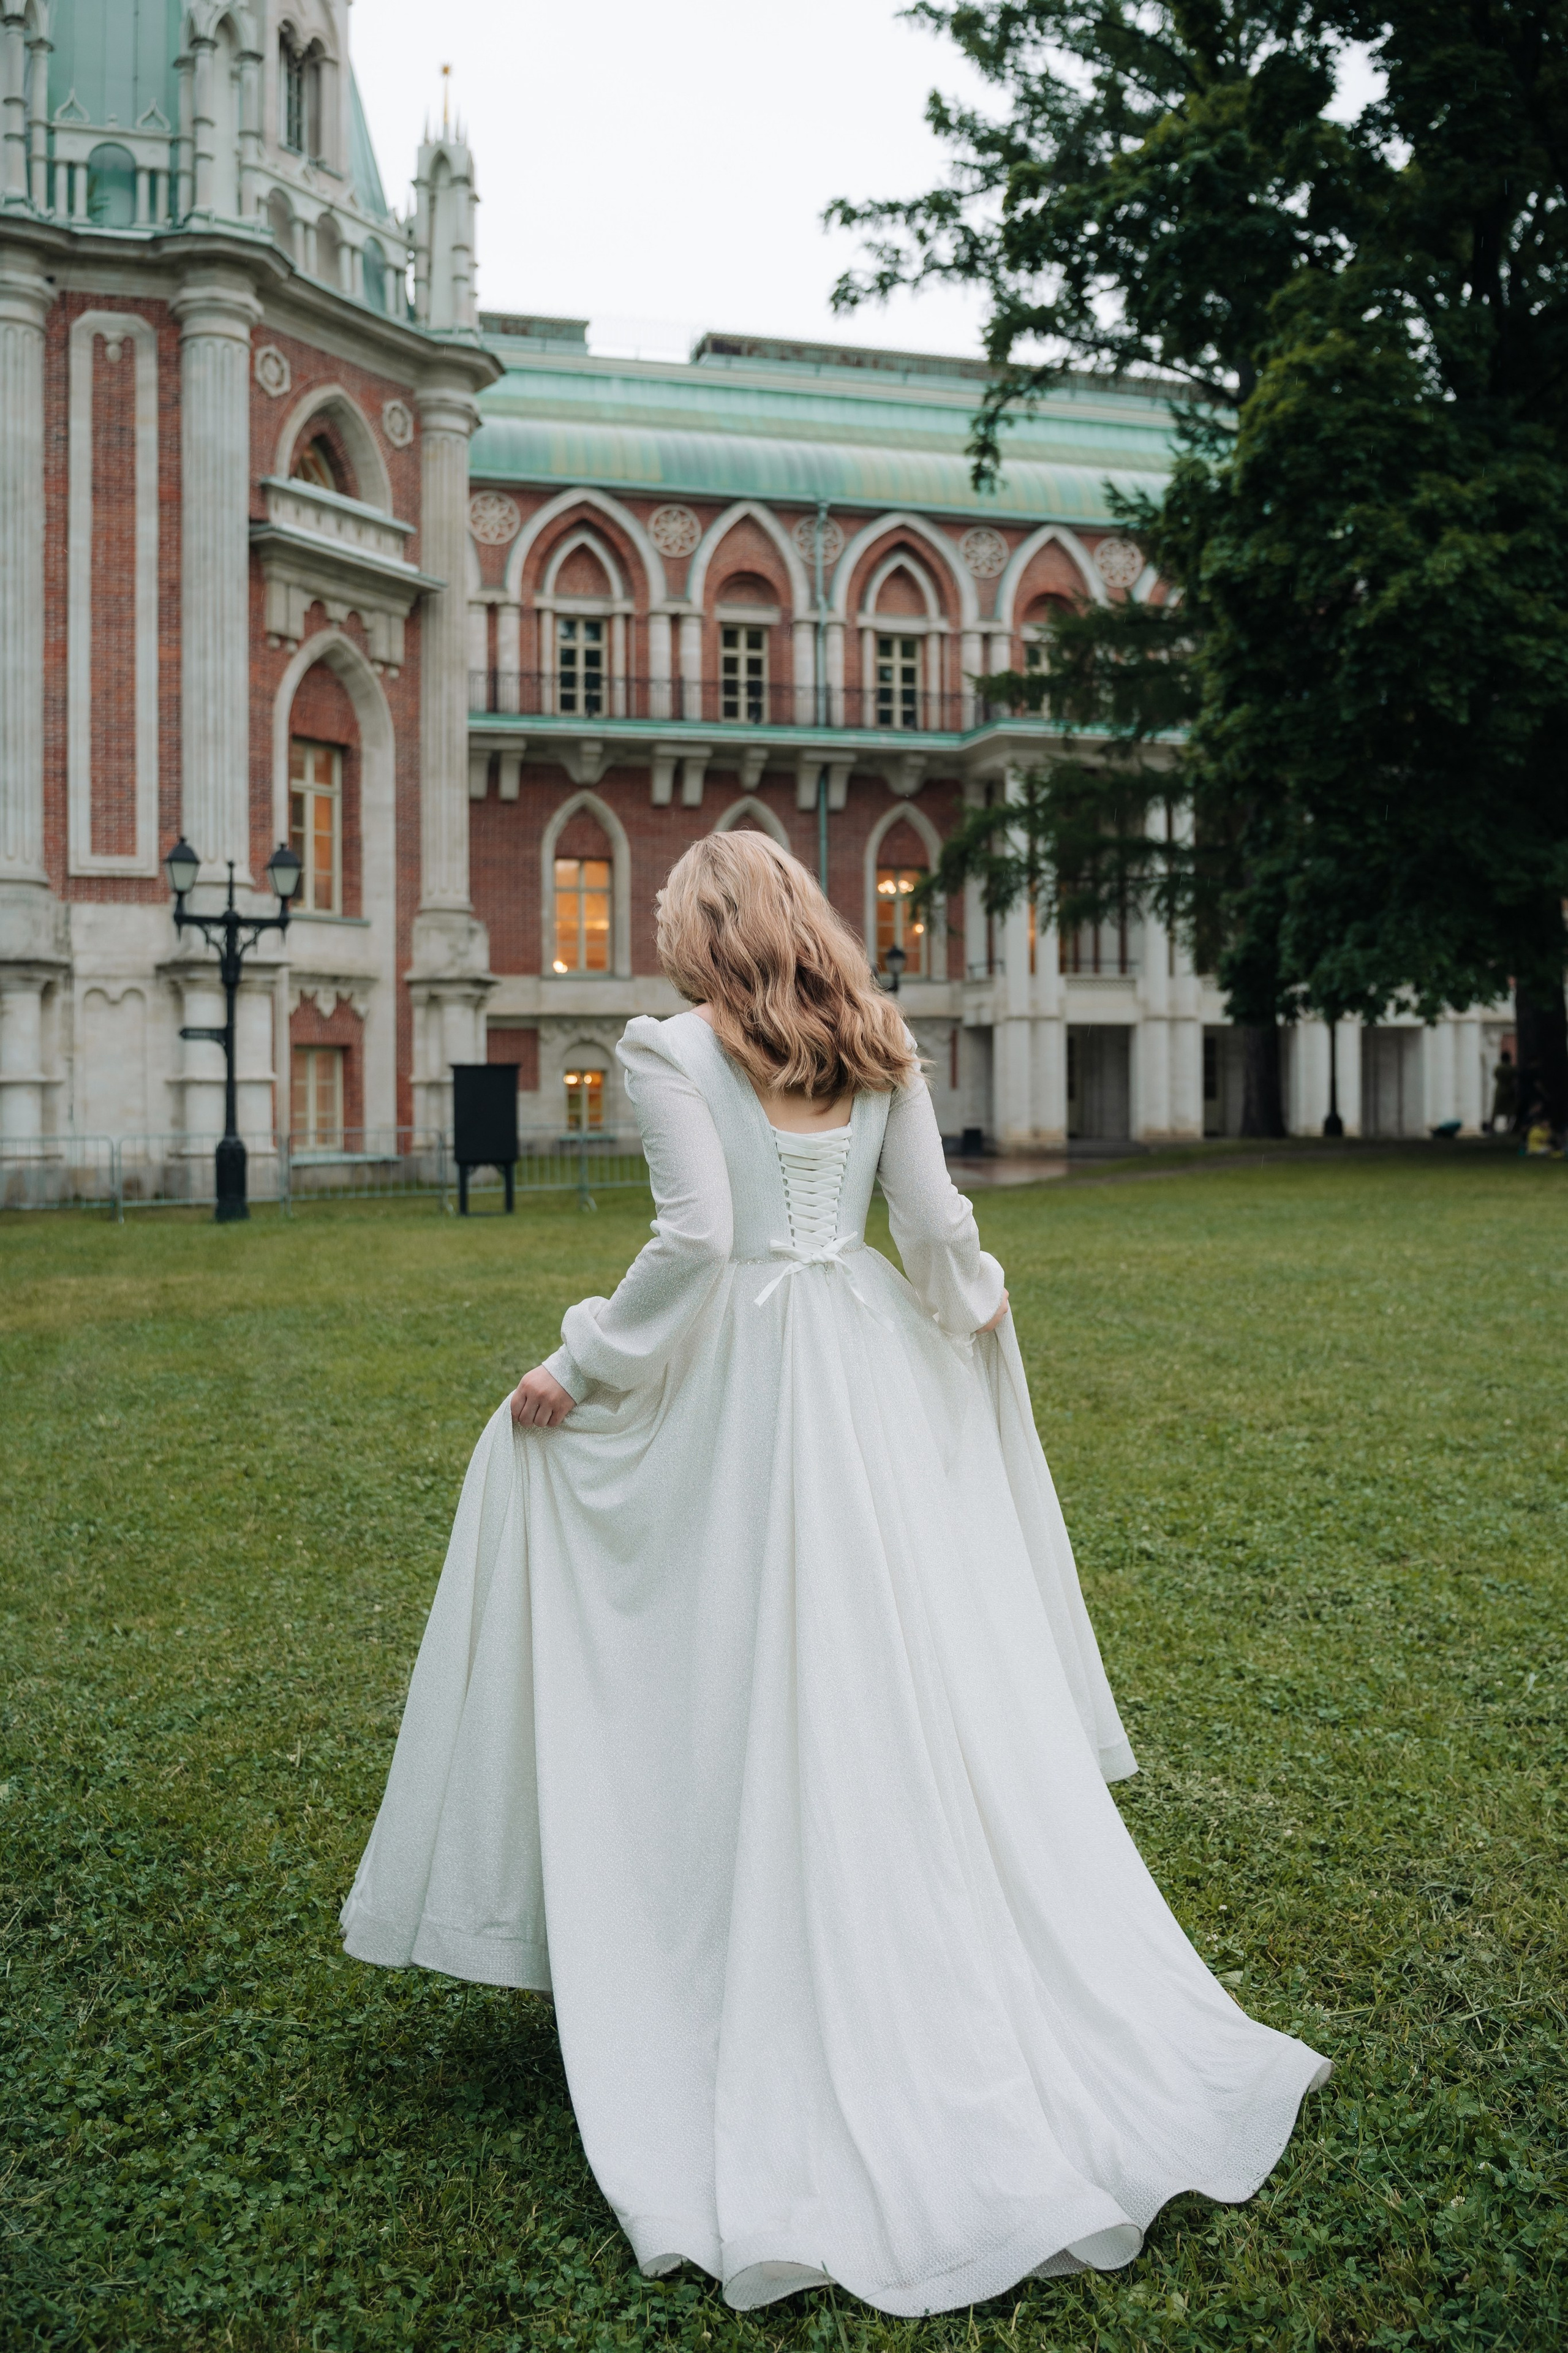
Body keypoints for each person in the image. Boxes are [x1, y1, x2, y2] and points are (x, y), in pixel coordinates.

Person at [341, 834, 1329, 2316]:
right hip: (866, 1366)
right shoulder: (877, 1040)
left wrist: (578, 1363)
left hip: (748, 1374)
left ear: (705, 927)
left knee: (745, 1643)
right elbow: (930, 1229)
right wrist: (971, 1305)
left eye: (670, 914)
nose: (662, 935)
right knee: (887, 1650)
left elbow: (697, 1239)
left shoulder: (672, 1047)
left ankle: (755, 1936)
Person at [1487, 1049, 1516, 1135]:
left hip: (1499, 1090)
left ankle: (1491, 1128)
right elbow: (1514, 1078)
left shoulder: (1498, 1068)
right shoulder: (1511, 1068)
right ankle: (1509, 1128)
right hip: (1509, 1090)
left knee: (1496, 1110)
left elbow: (1495, 1076)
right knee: (1509, 1110)